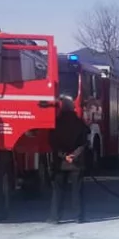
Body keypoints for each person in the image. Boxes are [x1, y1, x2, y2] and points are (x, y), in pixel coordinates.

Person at [49, 95, 90, 224]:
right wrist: (74, 155)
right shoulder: (79, 123)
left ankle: (55, 217)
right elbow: (84, 143)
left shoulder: (56, 123)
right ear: (73, 107)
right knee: (76, 190)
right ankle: (79, 216)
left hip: (60, 163)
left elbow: (52, 143)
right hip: (76, 164)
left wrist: (64, 155)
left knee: (58, 191)